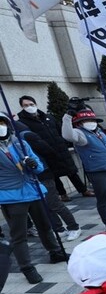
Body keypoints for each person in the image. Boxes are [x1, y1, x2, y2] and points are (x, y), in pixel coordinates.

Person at [0, 113, 68, 284]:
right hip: (11, 196)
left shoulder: (20, 143)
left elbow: (38, 166)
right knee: (19, 234)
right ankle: (27, 267)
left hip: (32, 189)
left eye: (2, 122)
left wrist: (33, 164)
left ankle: (55, 251)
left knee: (45, 226)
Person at [13, 120, 81, 241]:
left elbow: (48, 151)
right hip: (31, 177)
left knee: (54, 203)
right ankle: (59, 229)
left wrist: (45, 166)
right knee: (46, 206)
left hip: (44, 174)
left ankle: (74, 227)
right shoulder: (11, 142)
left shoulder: (25, 136)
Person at [17, 95, 94, 201]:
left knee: (71, 171)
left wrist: (65, 143)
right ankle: (62, 194)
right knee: (54, 175)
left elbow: (60, 130)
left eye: (31, 104)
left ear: (35, 104)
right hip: (45, 151)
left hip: (60, 148)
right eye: (25, 105)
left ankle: (83, 190)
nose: (29, 107)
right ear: (22, 107)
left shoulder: (48, 117)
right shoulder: (23, 122)